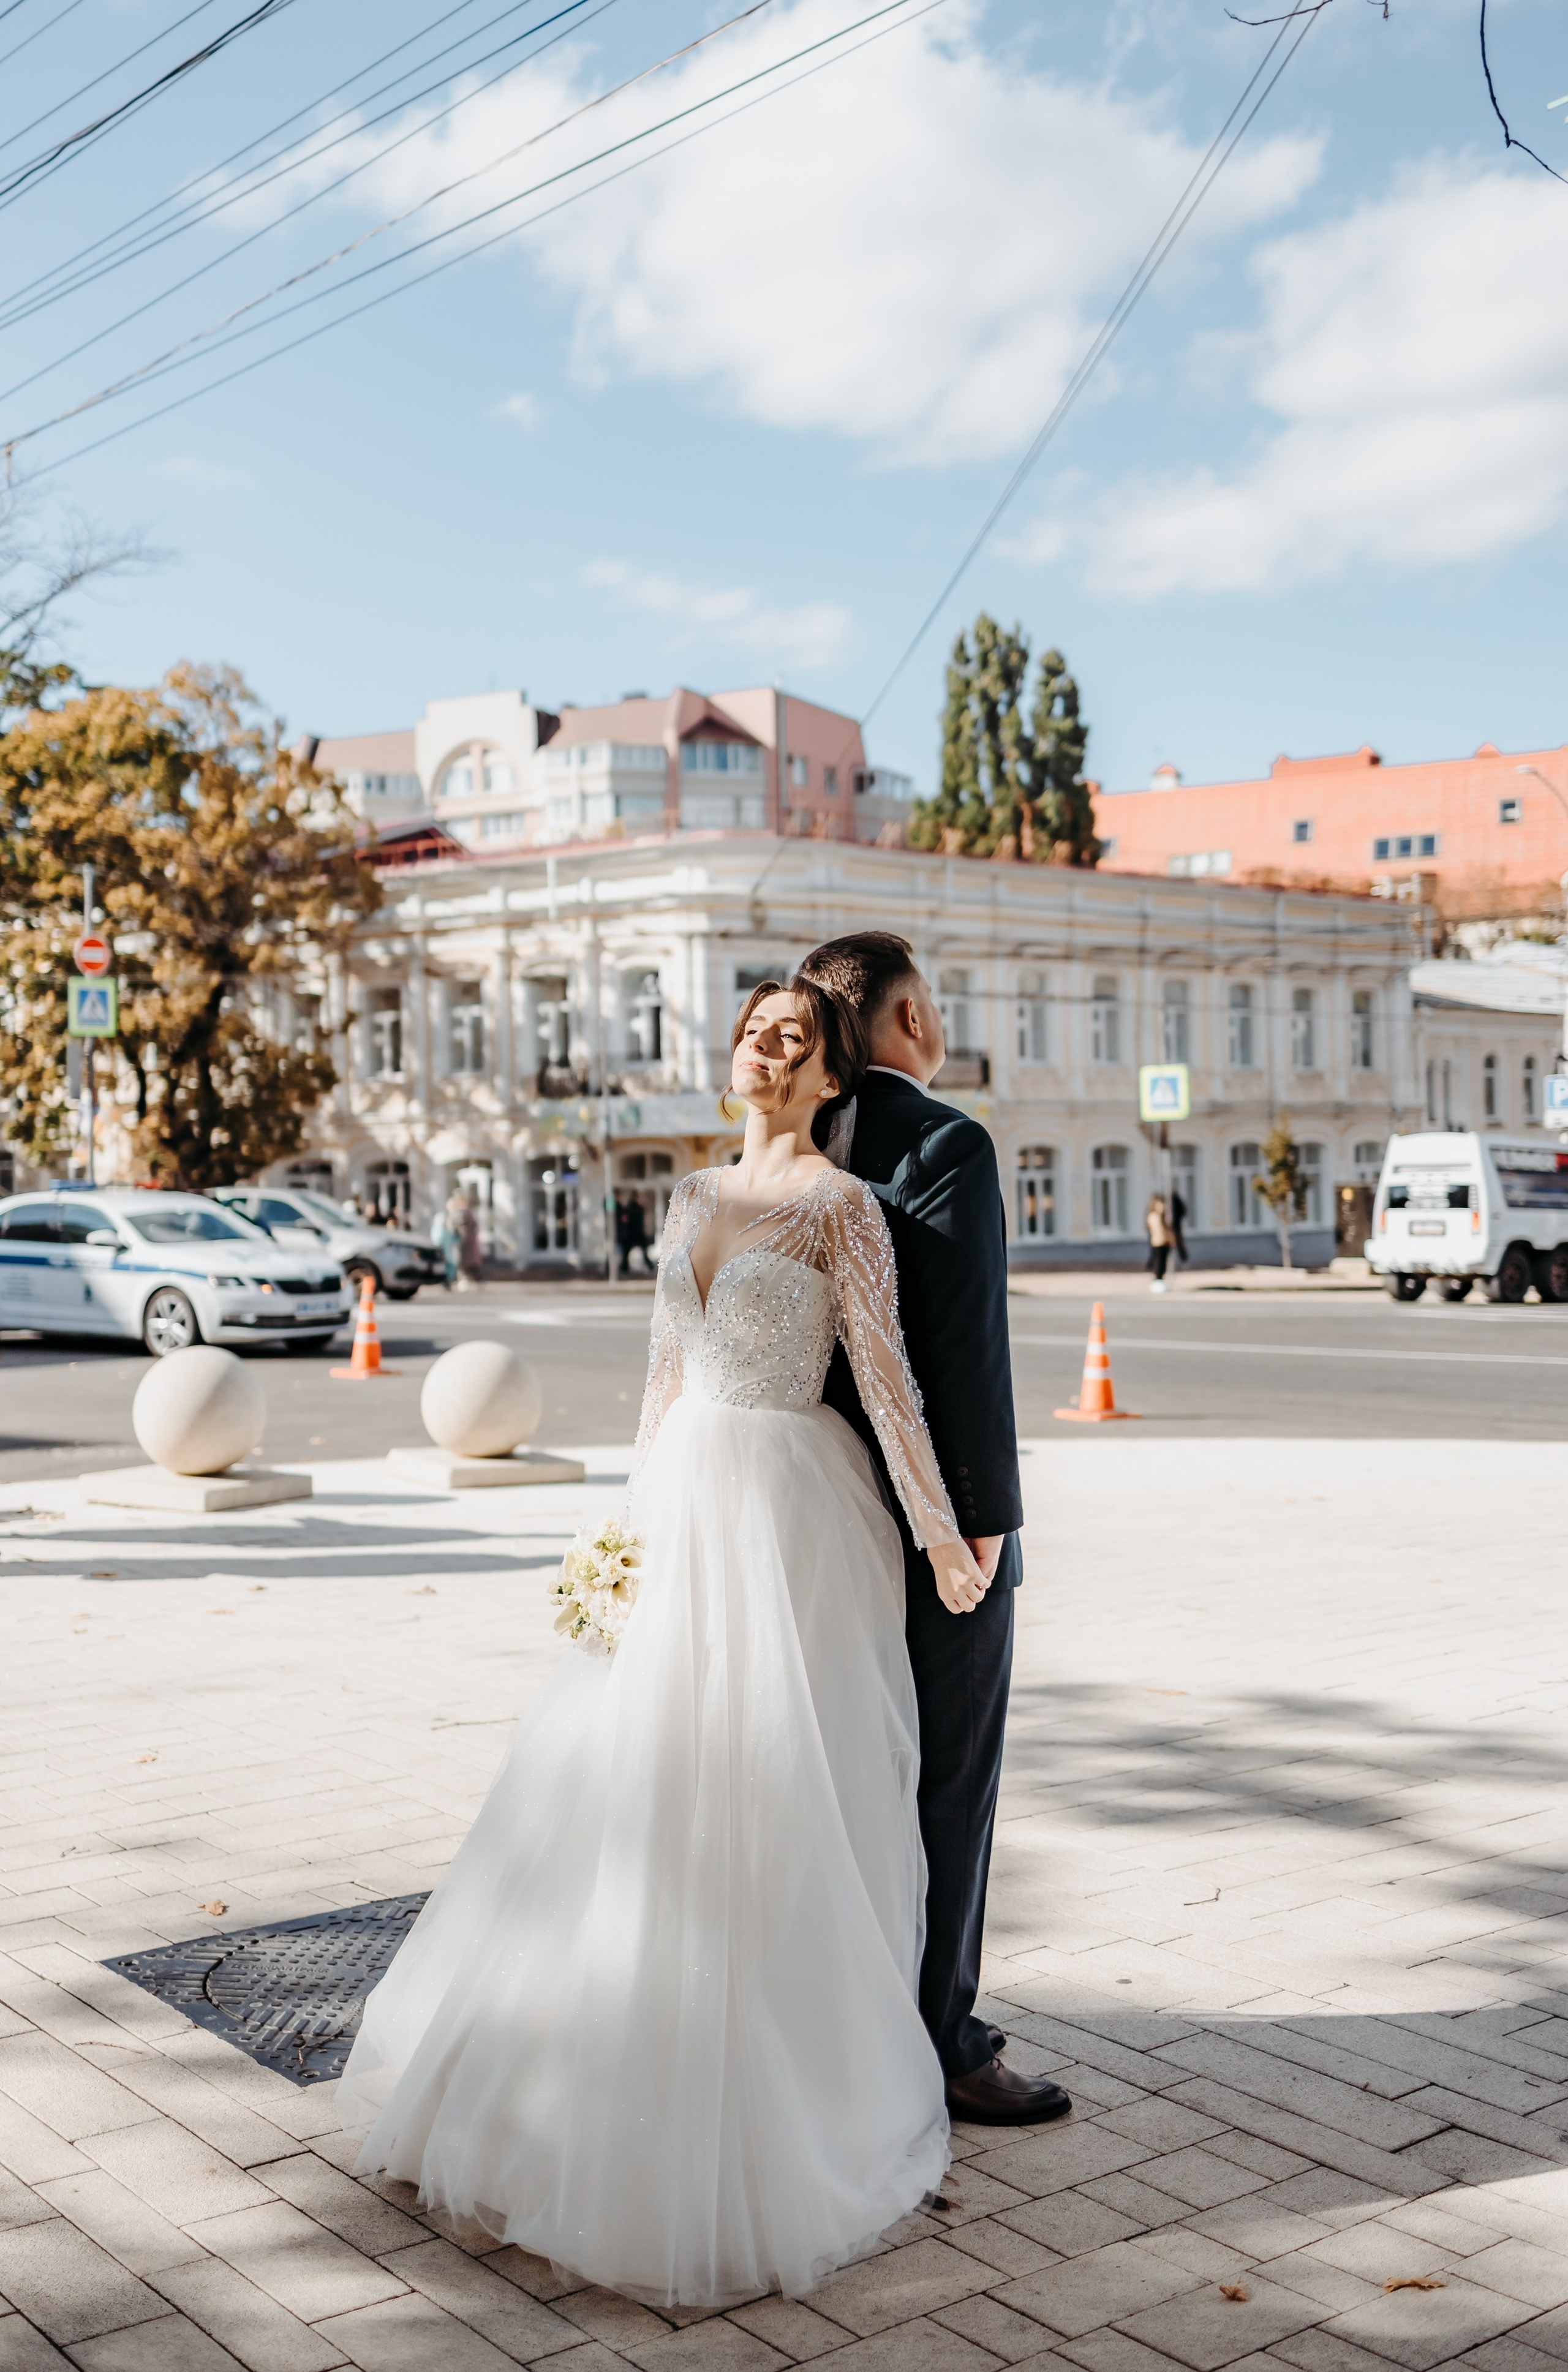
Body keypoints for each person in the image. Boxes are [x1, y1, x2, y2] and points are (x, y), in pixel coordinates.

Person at [338, 980, 990, 2306]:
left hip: (791, 1522)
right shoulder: (689, 1199)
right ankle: (575, 2071)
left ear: (825, 1080)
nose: (767, 1046)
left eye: (794, 1039)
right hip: (681, 1501)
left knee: (765, 1790)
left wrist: (940, 1533)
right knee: (626, 1780)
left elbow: (886, 1379)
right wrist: (620, 1532)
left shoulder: (840, 1207)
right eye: (753, 1029)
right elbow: (660, 1380)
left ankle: (772, 2098)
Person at [796, 931, 1071, 2129]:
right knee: (949, 1777)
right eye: (934, 1002)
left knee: (843, 1774)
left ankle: (837, 2017)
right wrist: (984, 1523)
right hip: (930, 1525)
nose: (941, 1020)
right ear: (903, 1023)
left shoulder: (797, 1142)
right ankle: (944, 2039)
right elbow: (963, 1349)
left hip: (805, 1517)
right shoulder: (945, 1141)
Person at [1146, 1191, 1172, 1292]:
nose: (1163, 1206)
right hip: (1159, 1242)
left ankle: (1160, 1280)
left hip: (1164, 1242)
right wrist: (1168, 1238)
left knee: (1163, 1263)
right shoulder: (1155, 1216)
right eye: (1161, 1204)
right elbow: (1160, 1231)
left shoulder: (1162, 1216)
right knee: (1159, 1263)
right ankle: (1158, 1281)